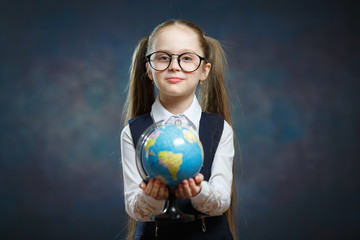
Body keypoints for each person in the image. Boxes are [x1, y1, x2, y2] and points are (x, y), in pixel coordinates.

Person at [121, 19, 237, 240]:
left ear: (204, 71)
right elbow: (134, 207)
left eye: (186, 58)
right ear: (148, 68)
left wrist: (198, 191)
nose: (174, 66)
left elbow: (221, 202)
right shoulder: (132, 132)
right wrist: (153, 198)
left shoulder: (220, 129)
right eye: (163, 57)